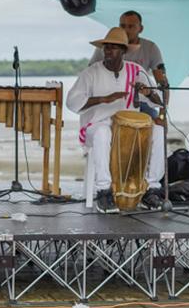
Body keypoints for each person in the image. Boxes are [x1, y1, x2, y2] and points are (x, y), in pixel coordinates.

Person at [66, 27, 165, 213]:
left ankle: (152, 189)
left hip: (131, 128)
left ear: (123, 51)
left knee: (158, 131)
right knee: (103, 132)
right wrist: (102, 99)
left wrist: (149, 93)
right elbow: (71, 102)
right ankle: (104, 191)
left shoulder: (136, 71)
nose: (108, 51)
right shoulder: (91, 72)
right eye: (106, 47)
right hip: (96, 126)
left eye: (113, 47)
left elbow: (158, 102)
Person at [89, 11, 168, 122]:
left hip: (141, 101)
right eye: (123, 26)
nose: (126, 30)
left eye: (131, 26)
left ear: (140, 29)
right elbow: (90, 75)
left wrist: (162, 114)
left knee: (157, 126)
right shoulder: (105, 47)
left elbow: (163, 83)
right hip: (111, 99)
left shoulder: (150, 48)